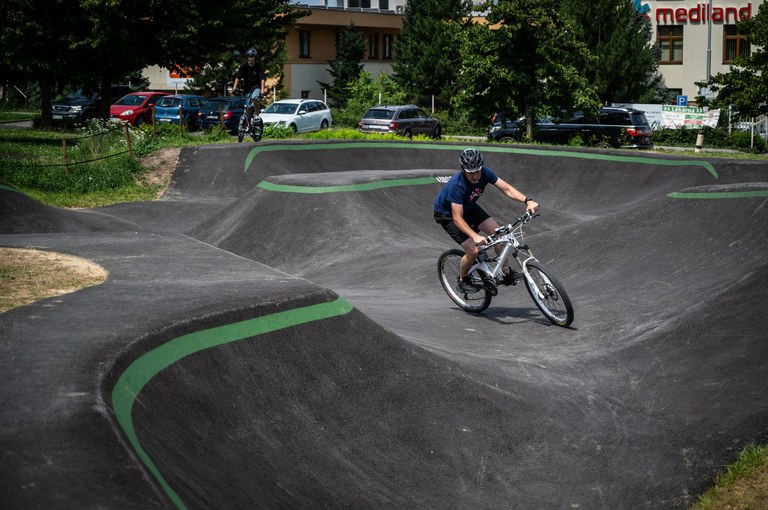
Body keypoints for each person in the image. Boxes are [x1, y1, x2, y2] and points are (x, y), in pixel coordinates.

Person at [433, 148, 540, 293]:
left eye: (478, 171)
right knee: (473, 250)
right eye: (471, 173)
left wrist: (527, 201)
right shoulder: (457, 185)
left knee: (499, 235)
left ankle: (506, 272)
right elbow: (457, 219)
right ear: (463, 170)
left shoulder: (485, 172)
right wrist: (475, 236)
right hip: (447, 215)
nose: (476, 176)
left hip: (469, 207)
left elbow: (507, 189)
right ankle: (462, 280)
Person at [233, 47, 265, 120]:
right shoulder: (243, 66)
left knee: (255, 98)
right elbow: (238, 77)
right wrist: (234, 88)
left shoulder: (258, 66)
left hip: (256, 87)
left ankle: (257, 114)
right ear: (247, 57)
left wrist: (262, 91)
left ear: (254, 57)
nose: (251, 58)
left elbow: (262, 79)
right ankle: (248, 126)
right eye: (249, 56)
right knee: (248, 108)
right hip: (247, 89)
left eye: (252, 56)